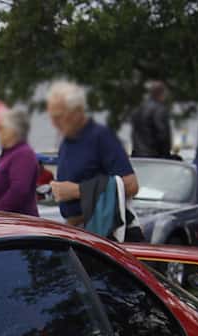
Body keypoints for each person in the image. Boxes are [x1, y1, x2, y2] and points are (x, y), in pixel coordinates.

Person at [46, 80, 137, 236]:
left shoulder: (101, 137)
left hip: (103, 233)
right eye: (52, 117)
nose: (54, 123)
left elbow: (131, 185)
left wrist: (76, 191)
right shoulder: (66, 142)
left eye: (59, 116)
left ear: (77, 112)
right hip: (76, 230)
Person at [0, 107, 41, 215]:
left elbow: (19, 191)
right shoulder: (6, 155)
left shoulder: (23, 154)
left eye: (1, 128)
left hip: (16, 226)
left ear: (14, 131)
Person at [128, 80, 172, 159]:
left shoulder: (137, 110)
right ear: (162, 93)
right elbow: (163, 135)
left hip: (138, 156)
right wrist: (166, 155)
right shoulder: (160, 109)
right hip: (155, 157)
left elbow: (134, 133)